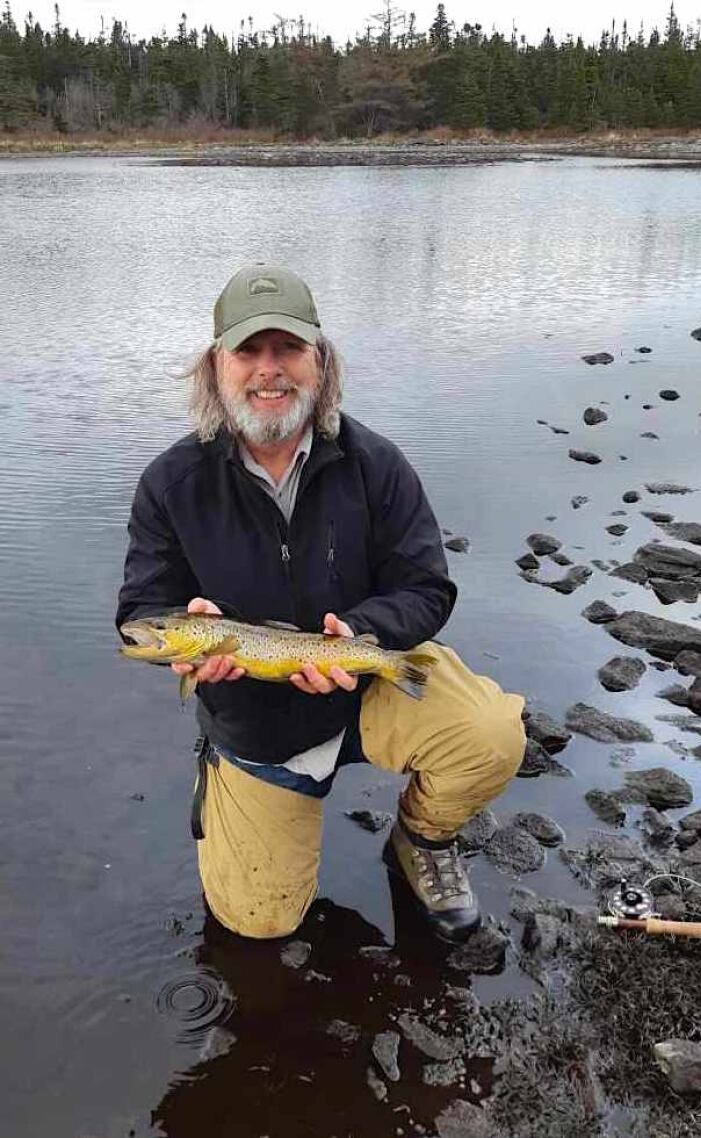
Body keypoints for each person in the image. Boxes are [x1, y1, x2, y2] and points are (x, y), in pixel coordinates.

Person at [116, 264, 526, 944]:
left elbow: (427, 586)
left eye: (288, 350)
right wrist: (180, 648)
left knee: (491, 734)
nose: (268, 370)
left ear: (321, 361)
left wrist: (366, 634)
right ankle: (227, 777)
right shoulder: (171, 485)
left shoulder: (376, 464)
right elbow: (141, 609)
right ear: (216, 367)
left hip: (364, 677)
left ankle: (421, 841)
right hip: (259, 724)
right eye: (248, 351)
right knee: (258, 926)